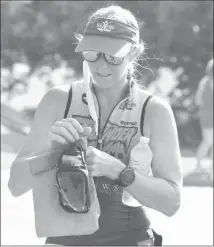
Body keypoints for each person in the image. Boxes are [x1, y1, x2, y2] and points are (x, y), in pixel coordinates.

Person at [8, 5, 182, 246]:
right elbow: (15, 185)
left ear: (134, 52)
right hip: (64, 236)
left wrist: (118, 171)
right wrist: (52, 151)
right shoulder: (58, 100)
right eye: (93, 53)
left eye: (113, 56)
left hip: (130, 236)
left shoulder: (153, 111)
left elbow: (172, 202)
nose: (101, 66)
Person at [194, 58, 213, 178]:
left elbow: (198, 100)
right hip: (209, 116)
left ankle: (200, 166)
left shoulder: (204, 82)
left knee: (207, 142)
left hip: (206, 115)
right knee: (208, 142)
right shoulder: (206, 82)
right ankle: (202, 167)